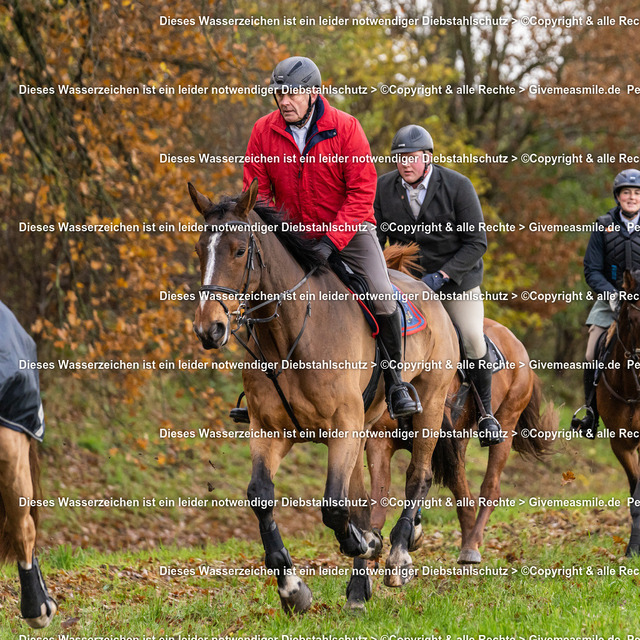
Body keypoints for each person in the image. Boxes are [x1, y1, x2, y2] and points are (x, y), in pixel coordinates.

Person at [242, 56, 420, 419]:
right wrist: (279, 236)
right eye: (279, 95)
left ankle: (396, 383)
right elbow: (256, 194)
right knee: (256, 293)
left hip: (351, 231)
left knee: (382, 297)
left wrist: (331, 240)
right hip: (291, 234)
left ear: (313, 93)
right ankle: (259, 392)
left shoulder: (346, 127)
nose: (284, 102)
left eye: (292, 94)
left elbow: (362, 193)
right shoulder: (263, 130)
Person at [374, 124, 504, 447]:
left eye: (412, 157)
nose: (405, 164)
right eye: (400, 157)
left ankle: (486, 415)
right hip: (408, 285)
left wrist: (443, 276)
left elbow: (477, 243)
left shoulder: (458, 186)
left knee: (471, 338)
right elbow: (375, 240)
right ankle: (395, 401)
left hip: (456, 282)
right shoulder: (383, 188)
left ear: (428, 157)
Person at [572, 169, 640, 438]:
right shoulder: (603, 226)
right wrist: (612, 294)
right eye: (627, 192)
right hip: (610, 299)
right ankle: (591, 413)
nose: (632, 197)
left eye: (637, 193)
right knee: (591, 353)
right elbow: (592, 269)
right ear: (618, 196)